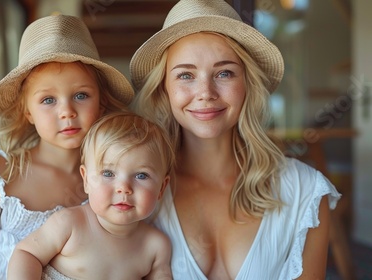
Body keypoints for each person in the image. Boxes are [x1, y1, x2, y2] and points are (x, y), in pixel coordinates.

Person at [129, 0, 341, 279]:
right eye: (186, 75)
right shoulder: (130, 188)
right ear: (163, 89)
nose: (206, 92)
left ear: (247, 85)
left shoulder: (306, 191)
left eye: (224, 73)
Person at [0, 15, 134, 280]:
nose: (67, 111)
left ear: (100, 103)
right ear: (28, 112)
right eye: (48, 100)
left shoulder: (119, 181)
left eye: (80, 95)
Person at [7, 112, 174, 280]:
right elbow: (27, 253)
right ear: (86, 180)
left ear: (161, 188)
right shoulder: (69, 224)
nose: (124, 189)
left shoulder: (156, 247)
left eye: (141, 176)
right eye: (108, 173)